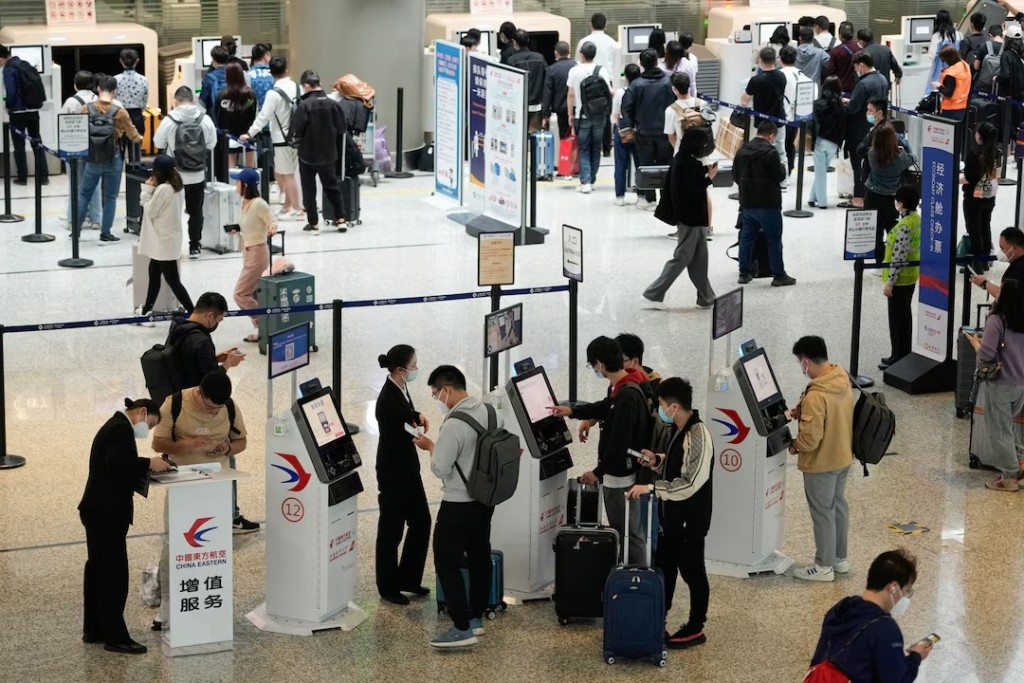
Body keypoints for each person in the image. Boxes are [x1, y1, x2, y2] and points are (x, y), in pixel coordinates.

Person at [149, 372, 249, 630]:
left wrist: (226, 449)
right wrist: (190, 444)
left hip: (216, 485)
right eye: (209, 406)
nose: (213, 412)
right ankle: (167, 604)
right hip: (182, 484)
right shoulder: (175, 403)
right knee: (177, 543)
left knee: (211, 544)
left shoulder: (228, 406)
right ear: (200, 393)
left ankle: (208, 599)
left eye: (218, 408)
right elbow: (158, 443)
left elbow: (241, 441)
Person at [411, 365, 499, 648]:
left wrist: (429, 446)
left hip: (458, 503)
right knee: (479, 555)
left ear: (446, 390)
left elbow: (440, 468)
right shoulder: (487, 410)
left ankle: (461, 628)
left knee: (446, 560)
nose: (437, 399)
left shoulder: (453, 425)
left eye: (436, 394)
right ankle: (476, 618)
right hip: (484, 499)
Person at [79, 397, 170, 654]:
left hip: (97, 510)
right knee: (113, 575)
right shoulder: (120, 429)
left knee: (98, 571)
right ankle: (115, 636)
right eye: (150, 424)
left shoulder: (115, 425)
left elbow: (116, 466)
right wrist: (148, 463)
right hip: (106, 513)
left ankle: (94, 629)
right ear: (142, 412)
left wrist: (146, 467)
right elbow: (118, 466)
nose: (148, 430)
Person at [548, 337, 651, 565]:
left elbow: (619, 445)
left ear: (600, 364)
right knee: (627, 530)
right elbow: (604, 407)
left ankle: (636, 579)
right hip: (620, 472)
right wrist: (572, 411)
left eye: (593, 365)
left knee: (627, 531)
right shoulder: (624, 385)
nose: (595, 369)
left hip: (620, 478)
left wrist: (597, 473)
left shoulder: (626, 396)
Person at [627, 377, 712, 650]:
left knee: (692, 572)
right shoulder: (680, 428)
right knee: (666, 568)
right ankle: (659, 617)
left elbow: (689, 481)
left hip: (690, 521)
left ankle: (696, 627)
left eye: (662, 405)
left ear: (674, 406)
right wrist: (658, 461)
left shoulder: (698, 434)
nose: (660, 410)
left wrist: (651, 487)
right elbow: (677, 463)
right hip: (672, 520)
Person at [809, 549, 934, 679]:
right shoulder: (885, 628)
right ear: (893, 587)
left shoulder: (841, 607)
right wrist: (916, 656)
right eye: (906, 590)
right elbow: (899, 678)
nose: (905, 597)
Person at [789, 335, 853, 582]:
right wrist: (801, 411)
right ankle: (839, 559)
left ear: (806, 361)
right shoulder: (840, 377)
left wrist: (796, 445)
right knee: (837, 506)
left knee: (822, 512)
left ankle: (823, 566)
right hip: (843, 455)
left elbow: (811, 439)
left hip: (821, 462)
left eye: (799, 363)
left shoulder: (817, 394)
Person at [374, 345, 432, 605]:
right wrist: (417, 434)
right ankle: (387, 586)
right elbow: (396, 433)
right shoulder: (386, 400)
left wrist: (415, 415)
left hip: (407, 468)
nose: (416, 370)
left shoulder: (399, 388)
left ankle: (408, 578)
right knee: (391, 529)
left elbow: (404, 414)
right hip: (394, 471)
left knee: (421, 521)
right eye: (414, 366)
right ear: (400, 370)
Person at [644, 126, 718, 308]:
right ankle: (653, 292)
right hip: (690, 218)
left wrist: (704, 172)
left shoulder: (684, 160)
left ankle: (706, 297)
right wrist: (709, 177)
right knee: (683, 257)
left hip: (695, 218)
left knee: (700, 260)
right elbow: (691, 190)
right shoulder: (685, 164)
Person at [966, 279, 1024, 490]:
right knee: (1010, 428)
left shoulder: (997, 320)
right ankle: (1019, 462)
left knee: (999, 431)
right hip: (1020, 384)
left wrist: (975, 344)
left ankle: (1009, 478)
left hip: (1000, 383)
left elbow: (988, 354)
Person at [77, 75, 143, 244]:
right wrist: (139, 137)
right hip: (113, 158)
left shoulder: (86, 109)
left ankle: (76, 231)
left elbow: (79, 132)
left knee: (85, 194)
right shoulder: (120, 112)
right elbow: (134, 136)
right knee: (111, 197)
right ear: (115, 91)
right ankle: (105, 233)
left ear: (98, 89)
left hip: (92, 159)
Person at [154, 85, 217, 259]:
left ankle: (173, 247)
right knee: (196, 211)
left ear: (175, 101)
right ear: (193, 100)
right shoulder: (205, 119)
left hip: (175, 175)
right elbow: (212, 144)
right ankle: (195, 246)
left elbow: (158, 143)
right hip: (197, 173)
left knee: (172, 212)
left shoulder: (170, 120)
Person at [733, 121, 796, 286]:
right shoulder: (771, 153)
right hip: (768, 204)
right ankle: (779, 275)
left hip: (748, 203)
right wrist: (782, 167)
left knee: (746, 239)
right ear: (771, 135)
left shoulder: (742, 151)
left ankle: (744, 273)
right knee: (774, 240)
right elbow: (780, 176)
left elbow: (735, 176)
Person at [242, 56, 303, 219]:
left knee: (287, 174)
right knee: (288, 172)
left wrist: (249, 133)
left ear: (271, 73)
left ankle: (296, 210)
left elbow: (263, 116)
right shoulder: (298, 88)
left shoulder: (273, 94)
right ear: (287, 70)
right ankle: (287, 206)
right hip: (298, 137)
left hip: (282, 139)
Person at [291, 70, 348, 234]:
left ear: (307, 86)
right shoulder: (333, 104)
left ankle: (314, 223)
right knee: (332, 187)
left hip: (307, 155)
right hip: (329, 154)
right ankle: (341, 219)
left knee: (309, 190)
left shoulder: (305, 105)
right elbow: (342, 129)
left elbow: (298, 130)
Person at [138, 154, 192, 315]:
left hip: (163, 242)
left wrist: (146, 191)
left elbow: (151, 211)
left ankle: (193, 311)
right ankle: (147, 309)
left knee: (173, 281)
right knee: (154, 274)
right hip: (167, 239)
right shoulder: (177, 185)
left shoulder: (163, 189)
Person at [620, 48, 674, 208]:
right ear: (657, 61)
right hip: (666, 131)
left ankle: (649, 198)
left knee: (646, 165)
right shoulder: (667, 82)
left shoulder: (637, 84)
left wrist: (632, 126)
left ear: (642, 64)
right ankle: (666, 199)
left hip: (643, 133)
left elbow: (625, 107)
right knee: (666, 165)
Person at [229, 168, 276, 342]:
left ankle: (266, 325)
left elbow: (271, 219)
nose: (235, 184)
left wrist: (272, 227)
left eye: (237, 181)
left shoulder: (258, 203)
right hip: (248, 252)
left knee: (240, 294)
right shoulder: (244, 202)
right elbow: (251, 225)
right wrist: (238, 229)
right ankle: (264, 330)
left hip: (258, 253)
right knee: (255, 293)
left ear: (245, 184)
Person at [880, 186, 922, 371]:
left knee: (897, 320)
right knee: (904, 317)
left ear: (901, 203)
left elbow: (899, 255)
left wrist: (890, 282)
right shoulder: (916, 220)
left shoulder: (904, 226)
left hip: (900, 279)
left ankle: (897, 356)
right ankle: (903, 353)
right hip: (911, 276)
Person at [841, 53, 888, 209]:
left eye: (855, 67)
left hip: (859, 129)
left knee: (858, 165)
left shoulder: (863, 84)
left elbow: (854, 107)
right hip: (879, 126)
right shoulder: (882, 79)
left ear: (861, 65)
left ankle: (859, 196)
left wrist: (846, 104)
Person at [566, 41, 613, 195]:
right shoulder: (602, 70)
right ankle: (591, 179)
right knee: (596, 147)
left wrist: (570, 115)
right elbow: (609, 92)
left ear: (581, 54)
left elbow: (571, 95)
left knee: (584, 148)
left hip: (582, 114)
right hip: (600, 115)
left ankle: (585, 181)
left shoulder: (574, 71)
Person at [0, 44, 49, 186]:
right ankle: (43, 176)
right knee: (37, 142)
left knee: (19, 146)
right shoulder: (25, 64)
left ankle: (22, 178)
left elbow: (11, 91)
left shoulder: (9, 69)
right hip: (33, 110)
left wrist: (9, 106)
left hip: (18, 112)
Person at [865, 124, 915, 262]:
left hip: (872, 195)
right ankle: (891, 259)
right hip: (892, 198)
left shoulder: (872, 154)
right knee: (893, 230)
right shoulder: (899, 158)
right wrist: (904, 145)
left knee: (875, 231)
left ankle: (879, 260)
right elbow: (912, 158)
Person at [61, 70, 102, 229]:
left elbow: (63, 126)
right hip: (96, 148)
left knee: (75, 185)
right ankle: (96, 219)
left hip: (75, 148)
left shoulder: (71, 102)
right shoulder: (99, 100)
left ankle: (73, 220)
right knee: (95, 184)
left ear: (75, 85)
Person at [741, 47, 787, 183]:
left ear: (760, 60)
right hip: (778, 118)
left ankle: (760, 177)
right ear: (776, 59)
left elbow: (744, 101)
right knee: (780, 150)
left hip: (760, 122)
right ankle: (784, 180)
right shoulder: (781, 77)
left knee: (758, 150)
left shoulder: (756, 80)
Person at [576, 12, 619, 157]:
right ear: (605, 25)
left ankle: (589, 146)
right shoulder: (612, 43)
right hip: (606, 81)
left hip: (586, 80)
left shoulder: (583, 42)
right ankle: (606, 149)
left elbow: (578, 62)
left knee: (586, 112)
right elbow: (615, 65)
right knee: (605, 114)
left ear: (590, 24)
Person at [962, 121, 1001, 273]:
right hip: (989, 196)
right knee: (985, 226)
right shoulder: (997, 153)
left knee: (974, 229)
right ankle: (984, 261)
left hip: (973, 197)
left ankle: (976, 264)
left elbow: (969, 177)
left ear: (980, 136)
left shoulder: (974, 154)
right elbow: (997, 175)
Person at [809, 76, 845, 209]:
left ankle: (822, 202)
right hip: (834, 143)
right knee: (821, 170)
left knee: (820, 173)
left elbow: (814, 125)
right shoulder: (841, 106)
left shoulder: (818, 104)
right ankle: (812, 197)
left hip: (821, 141)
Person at [780, 45, 817, 175]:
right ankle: (789, 169)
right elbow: (814, 92)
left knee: (781, 146)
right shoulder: (801, 74)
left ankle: (781, 173)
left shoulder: (780, 75)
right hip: (797, 116)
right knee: (790, 143)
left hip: (781, 117)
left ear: (780, 59)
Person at [215, 62, 257, 168]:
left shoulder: (221, 94)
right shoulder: (250, 94)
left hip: (228, 136)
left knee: (230, 171)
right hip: (247, 135)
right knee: (249, 170)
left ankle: (234, 185)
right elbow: (253, 114)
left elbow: (218, 116)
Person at [507, 29, 548, 132]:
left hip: (518, 103)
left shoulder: (511, 60)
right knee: (536, 134)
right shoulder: (540, 58)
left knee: (519, 133)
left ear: (515, 42)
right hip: (537, 104)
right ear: (528, 40)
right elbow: (547, 78)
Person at [612, 63, 642, 206]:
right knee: (640, 164)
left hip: (623, 127)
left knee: (620, 163)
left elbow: (615, 114)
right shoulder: (642, 90)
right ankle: (642, 196)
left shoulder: (620, 92)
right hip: (640, 129)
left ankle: (620, 196)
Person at [971, 227, 1024, 298]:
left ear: (1014, 248)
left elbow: (1005, 297)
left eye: (1002, 248)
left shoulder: (1020, 270)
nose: (1000, 252)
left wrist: (984, 283)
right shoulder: (1017, 263)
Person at [542, 41, 576, 139]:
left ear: (556, 53)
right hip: (576, 106)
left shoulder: (551, 70)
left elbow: (547, 92)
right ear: (569, 52)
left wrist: (546, 113)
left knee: (564, 135)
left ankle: (566, 153)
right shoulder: (576, 66)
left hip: (561, 107)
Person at [925, 10, 962, 96]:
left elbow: (932, 55)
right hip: (957, 71)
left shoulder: (937, 36)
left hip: (940, 72)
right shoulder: (959, 35)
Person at [114, 48, 148, 135]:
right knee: (137, 142)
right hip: (137, 115)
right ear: (137, 61)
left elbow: (113, 99)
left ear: (120, 61)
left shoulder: (116, 79)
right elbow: (145, 99)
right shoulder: (143, 79)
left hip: (120, 114)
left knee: (120, 143)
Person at [932, 46, 970, 122]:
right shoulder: (964, 65)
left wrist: (938, 86)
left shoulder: (951, 73)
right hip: (962, 105)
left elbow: (949, 93)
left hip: (950, 108)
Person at [663, 72, 698, 154]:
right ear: (689, 86)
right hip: (701, 153)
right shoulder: (702, 104)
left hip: (682, 154)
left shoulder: (671, 110)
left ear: (674, 89)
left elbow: (671, 137)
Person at [826, 22, 860, 94]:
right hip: (857, 87)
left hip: (842, 88)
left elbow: (830, 71)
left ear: (840, 36)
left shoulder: (836, 51)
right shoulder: (860, 48)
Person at [199, 45, 229, 118]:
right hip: (232, 117)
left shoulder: (209, 78)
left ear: (213, 59)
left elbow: (202, 101)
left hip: (215, 118)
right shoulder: (235, 74)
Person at [248, 43, 274, 108]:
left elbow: (247, 100)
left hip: (254, 115)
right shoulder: (274, 75)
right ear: (266, 56)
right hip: (272, 115)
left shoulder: (247, 76)